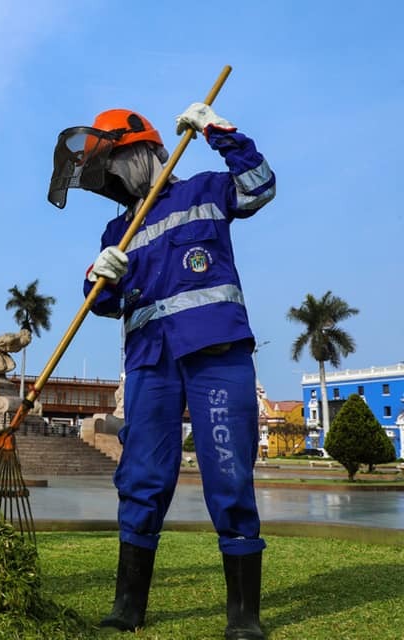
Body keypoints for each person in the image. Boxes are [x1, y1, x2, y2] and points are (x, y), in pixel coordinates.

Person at [47, 104, 275, 639]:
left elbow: (259, 187)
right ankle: (128, 607)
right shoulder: (116, 230)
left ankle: (244, 616)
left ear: (146, 151)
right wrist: (95, 276)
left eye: (117, 164)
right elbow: (102, 303)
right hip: (150, 362)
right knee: (142, 479)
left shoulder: (204, 191)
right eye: (107, 173)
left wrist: (220, 131)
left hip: (216, 353)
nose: (115, 179)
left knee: (229, 473)